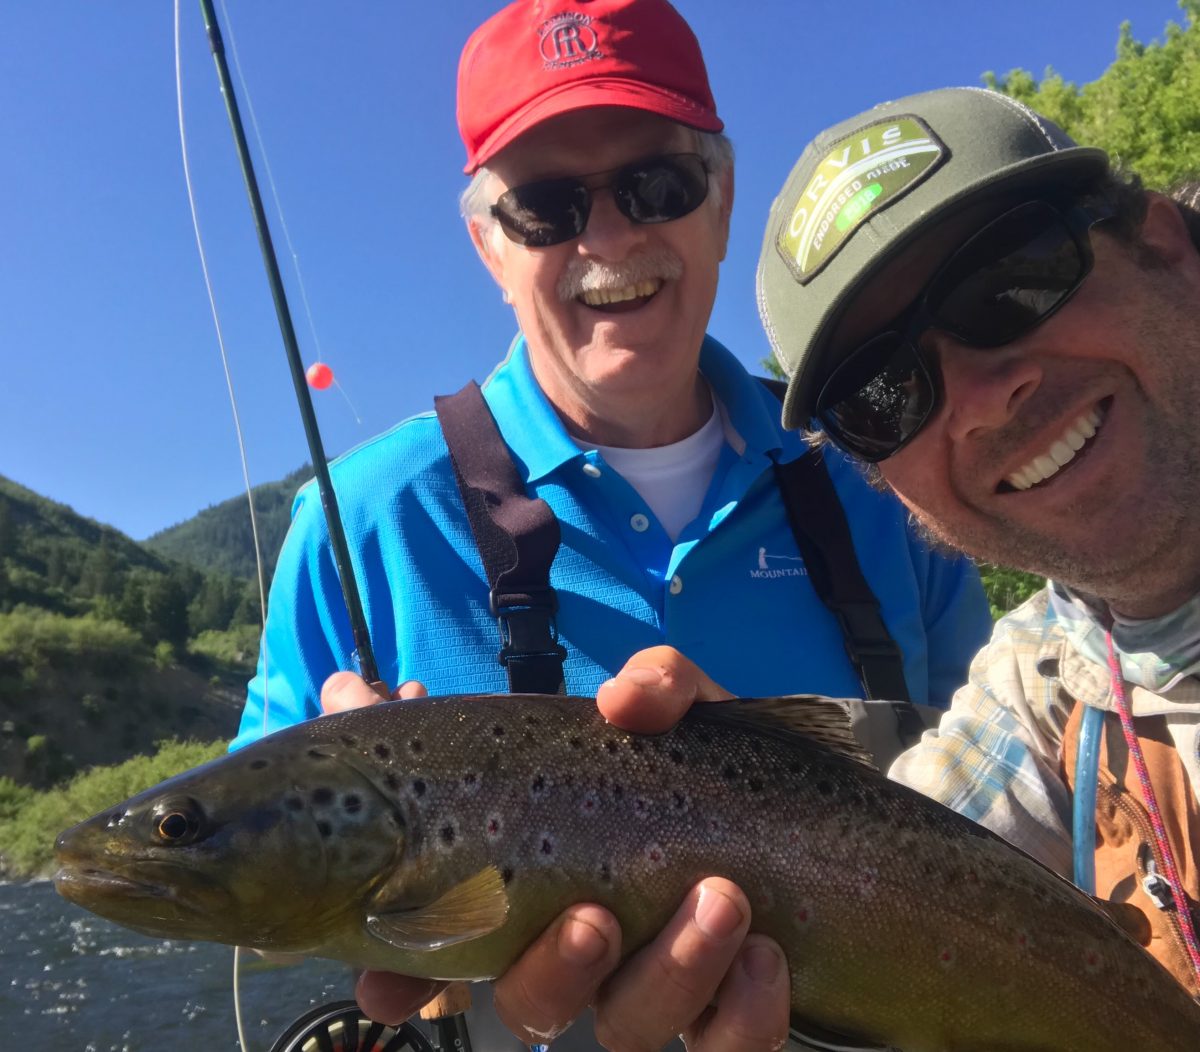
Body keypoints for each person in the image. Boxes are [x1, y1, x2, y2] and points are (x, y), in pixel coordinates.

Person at [240, 5, 994, 1045]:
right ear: (489, 248)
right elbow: (248, 864)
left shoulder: (888, 472)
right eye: (547, 207)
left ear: (722, 204)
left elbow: (1026, 790)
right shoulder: (354, 525)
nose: (608, 239)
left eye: (658, 186)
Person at [400, 85, 1199, 1044]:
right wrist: (727, 810)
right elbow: (921, 903)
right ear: (883, 477)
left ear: (1166, 244)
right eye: (884, 391)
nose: (984, 399)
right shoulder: (1044, 684)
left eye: (1013, 283)